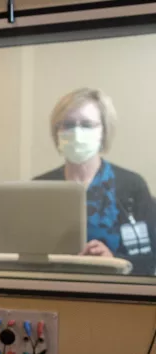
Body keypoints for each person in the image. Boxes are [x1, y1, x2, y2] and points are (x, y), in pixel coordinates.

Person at [36, 88, 156, 275]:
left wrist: (114, 261)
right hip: (52, 293)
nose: (76, 132)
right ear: (56, 132)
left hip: (114, 296)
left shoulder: (132, 186)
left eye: (87, 124)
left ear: (104, 132)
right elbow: (23, 254)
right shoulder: (38, 188)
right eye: (67, 125)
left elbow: (150, 260)